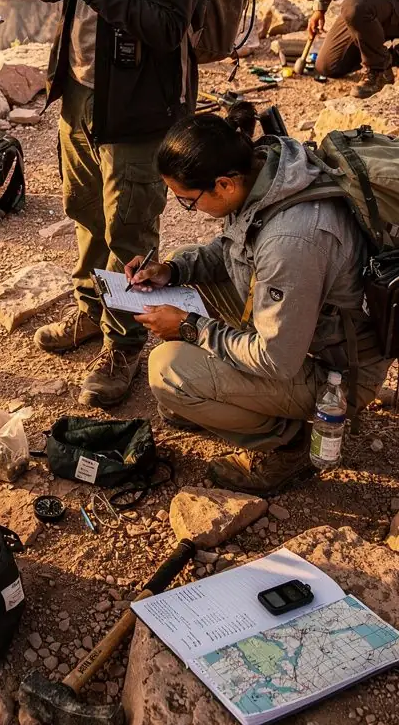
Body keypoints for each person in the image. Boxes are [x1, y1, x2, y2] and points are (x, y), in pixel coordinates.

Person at [13, 0, 209, 407]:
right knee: (84, 209)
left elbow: (168, 28)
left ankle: (124, 342)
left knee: (129, 224)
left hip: (141, 103)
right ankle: (91, 308)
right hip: (81, 89)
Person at [128, 103, 388, 495]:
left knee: (167, 370)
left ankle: (290, 444)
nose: (189, 209)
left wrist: (190, 327)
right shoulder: (267, 170)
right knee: (191, 267)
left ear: (224, 185)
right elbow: (232, 249)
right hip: (311, 332)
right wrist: (172, 271)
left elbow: (276, 360)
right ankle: (224, 397)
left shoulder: (290, 241)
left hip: (336, 374)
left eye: (187, 200)